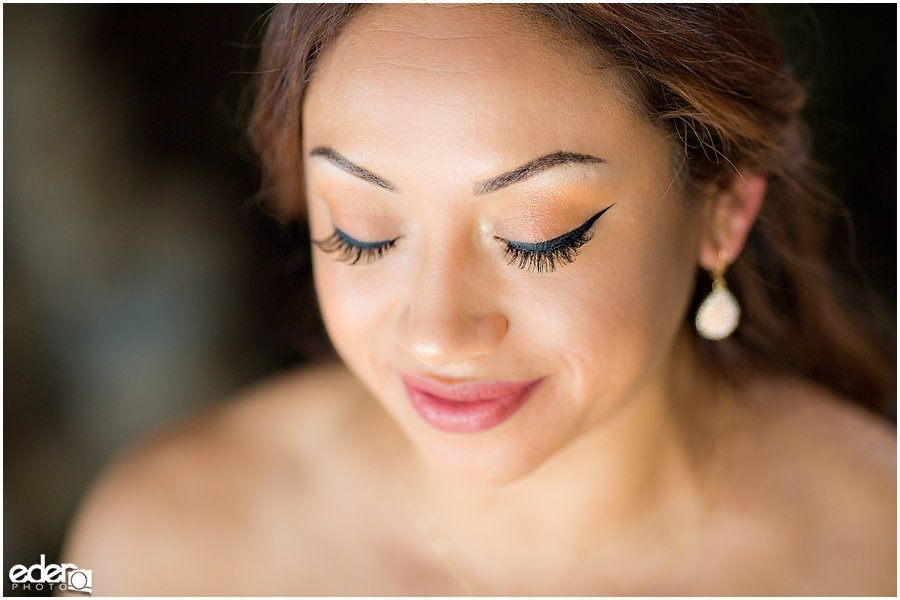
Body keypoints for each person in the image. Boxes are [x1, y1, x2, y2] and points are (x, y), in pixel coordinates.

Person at [62, 4, 896, 595]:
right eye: (363, 231)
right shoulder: (158, 545)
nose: (436, 334)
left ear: (722, 213)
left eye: (538, 236)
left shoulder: (874, 553)